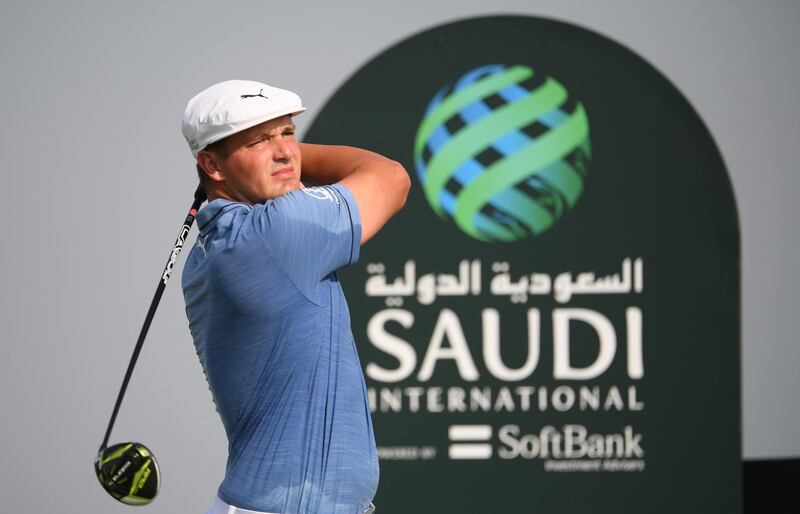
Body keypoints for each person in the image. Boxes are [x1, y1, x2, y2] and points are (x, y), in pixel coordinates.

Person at [180, 79, 410, 514]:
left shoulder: (218, 246)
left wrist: (260, 160)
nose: (285, 150)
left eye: (288, 132)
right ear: (211, 165)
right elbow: (391, 177)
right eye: (259, 140)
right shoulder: (275, 235)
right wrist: (292, 162)